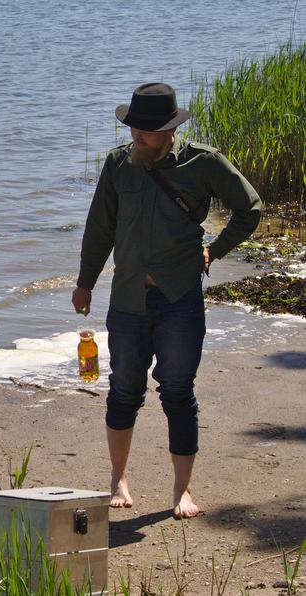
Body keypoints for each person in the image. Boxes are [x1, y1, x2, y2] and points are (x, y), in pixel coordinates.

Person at [71, 82, 262, 519]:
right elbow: (99, 228)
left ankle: (182, 490)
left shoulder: (204, 163)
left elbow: (250, 208)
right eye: (133, 127)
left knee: (177, 391)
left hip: (180, 299)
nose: (136, 135)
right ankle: (118, 478)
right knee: (123, 390)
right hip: (127, 301)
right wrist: (85, 283)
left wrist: (217, 248)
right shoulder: (118, 164)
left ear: (170, 129)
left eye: (146, 130)